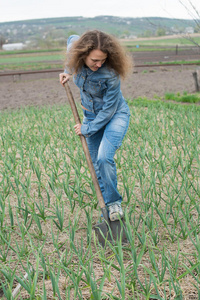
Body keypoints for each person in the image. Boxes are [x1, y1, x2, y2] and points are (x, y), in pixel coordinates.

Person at [59, 30, 132, 221]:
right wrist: (68, 71)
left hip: (115, 115)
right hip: (90, 115)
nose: (99, 64)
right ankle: (108, 210)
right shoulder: (76, 50)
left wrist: (87, 129)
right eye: (95, 60)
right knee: (96, 165)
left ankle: (115, 203)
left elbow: (108, 111)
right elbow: (72, 40)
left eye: (103, 60)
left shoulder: (110, 75)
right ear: (82, 54)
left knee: (103, 158)